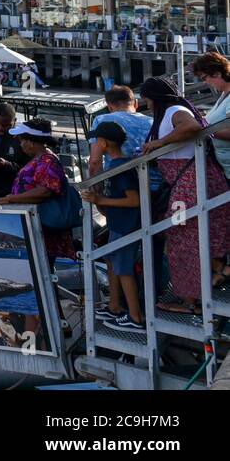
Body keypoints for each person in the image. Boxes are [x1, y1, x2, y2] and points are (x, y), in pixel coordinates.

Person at [135, 77, 230, 309]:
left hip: (189, 184)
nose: (145, 102)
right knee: (192, 238)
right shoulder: (173, 110)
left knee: (181, 241)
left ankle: (190, 302)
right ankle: (211, 280)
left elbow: (192, 127)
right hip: (193, 181)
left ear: (155, 96)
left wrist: (160, 143)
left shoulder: (175, 110)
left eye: (146, 97)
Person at [79, 121, 145, 333]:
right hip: (117, 224)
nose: (95, 145)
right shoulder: (114, 165)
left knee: (124, 269)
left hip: (126, 226)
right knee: (111, 260)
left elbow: (134, 200)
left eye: (97, 141)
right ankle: (115, 306)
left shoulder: (121, 169)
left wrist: (101, 199)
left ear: (104, 143)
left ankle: (135, 317)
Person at [0, 117, 76, 260]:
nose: (21, 145)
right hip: (37, 224)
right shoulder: (39, 159)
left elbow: (45, 191)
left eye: (22, 141)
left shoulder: (47, 161)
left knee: (44, 265)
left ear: (32, 141)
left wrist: (8, 199)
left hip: (44, 227)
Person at [87, 85, 157, 185]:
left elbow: (95, 160)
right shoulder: (152, 122)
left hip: (118, 183)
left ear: (109, 106)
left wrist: (97, 191)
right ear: (136, 103)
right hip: (151, 183)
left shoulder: (101, 120)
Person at [191, 52, 230, 177]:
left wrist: (203, 129)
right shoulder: (224, 95)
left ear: (217, 73)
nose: (205, 82)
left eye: (204, 77)